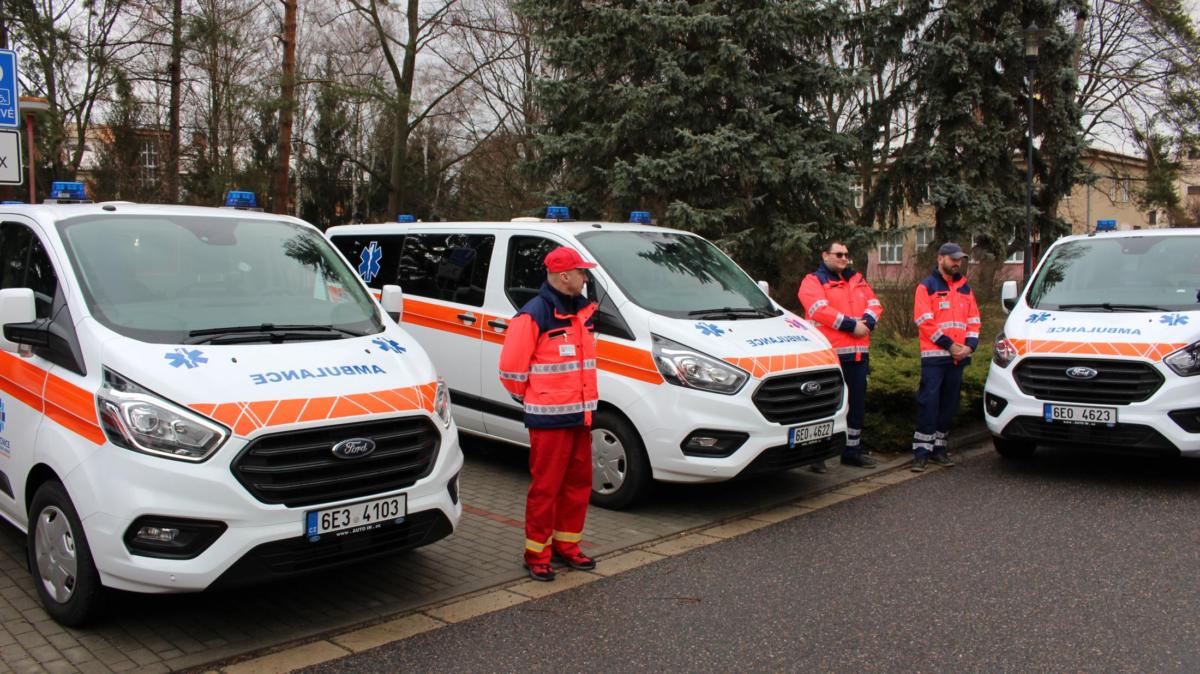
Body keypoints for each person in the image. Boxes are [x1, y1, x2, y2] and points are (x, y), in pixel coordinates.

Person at [498, 246, 600, 581]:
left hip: (580, 417)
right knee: (547, 489)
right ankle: (536, 554)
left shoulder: (584, 311)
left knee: (578, 485)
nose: (586, 278)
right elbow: (511, 372)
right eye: (582, 273)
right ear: (565, 276)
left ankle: (567, 546)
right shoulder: (533, 314)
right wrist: (537, 400)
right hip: (549, 420)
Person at [798, 240, 884, 471]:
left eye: (846, 255)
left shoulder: (857, 280)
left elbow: (875, 303)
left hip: (857, 355)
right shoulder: (813, 281)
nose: (844, 258)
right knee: (824, 406)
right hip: (828, 356)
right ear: (825, 255)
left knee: (856, 405)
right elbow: (819, 310)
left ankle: (852, 451)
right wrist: (851, 326)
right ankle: (817, 455)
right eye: (839, 254)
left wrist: (868, 322)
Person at [911, 242, 982, 472]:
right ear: (940, 259)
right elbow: (924, 321)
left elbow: (973, 320)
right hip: (935, 357)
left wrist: (970, 347)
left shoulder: (965, 288)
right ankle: (921, 452)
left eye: (959, 259)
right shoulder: (926, 286)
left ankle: (939, 449)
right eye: (953, 259)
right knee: (929, 403)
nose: (957, 263)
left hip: (958, 357)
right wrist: (950, 345)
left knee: (949, 405)